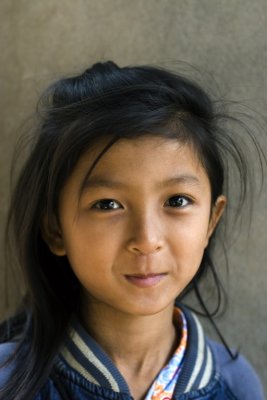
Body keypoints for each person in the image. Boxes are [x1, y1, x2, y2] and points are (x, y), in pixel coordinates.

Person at [0, 61, 265, 400]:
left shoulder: (237, 385)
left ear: (211, 220)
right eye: (108, 204)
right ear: (55, 228)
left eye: (177, 200)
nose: (147, 240)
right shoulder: (9, 381)